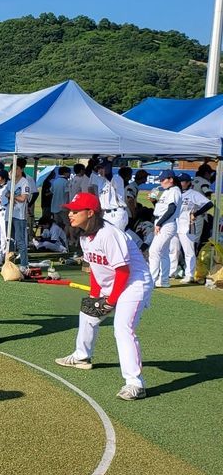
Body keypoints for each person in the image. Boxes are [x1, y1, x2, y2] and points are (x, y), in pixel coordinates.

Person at [55, 192, 152, 401]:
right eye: (70, 210)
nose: (70, 214)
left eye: (75, 211)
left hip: (134, 283)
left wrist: (110, 301)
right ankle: (82, 356)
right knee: (88, 313)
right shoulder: (84, 236)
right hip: (115, 282)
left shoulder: (109, 234)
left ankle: (135, 384)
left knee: (123, 328)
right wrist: (94, 297)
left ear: (90, 213)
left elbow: (124, 271)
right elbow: (96, 269)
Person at [174, 173, 213, 283]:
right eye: (179, 181)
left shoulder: (193, 194)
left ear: (188, 183)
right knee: (174, 250)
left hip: (188, 225)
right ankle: (172, 271)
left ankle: (189, 274)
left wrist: (196, 213)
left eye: (182, 181)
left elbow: (209, 204)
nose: (180, 183)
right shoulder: (175, 193)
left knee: (189, 250)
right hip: (175, 224)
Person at [148, 170, 181, 288]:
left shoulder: (174, 191)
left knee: (154, 251)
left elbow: (171, 209)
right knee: (163, 253)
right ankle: (164, 281)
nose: (161, 182)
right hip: (163, 223)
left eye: (163, 180)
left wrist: (159, 223)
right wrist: (154, 202)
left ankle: (151, 281)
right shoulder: (168, 191)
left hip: (166, 224)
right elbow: (164, 209)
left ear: (170, 179)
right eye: (160, 180)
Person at [94, 158, 128, 230]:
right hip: (105, 214)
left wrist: (110, 162)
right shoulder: (100, 180)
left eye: (102, 168)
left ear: (108, 167)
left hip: (116, 214)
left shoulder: (117, 178)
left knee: (117, 239)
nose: (100, 170)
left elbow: (110, 178)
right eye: (99, 168)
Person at [11, 163, 33, 268]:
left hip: (20, 215)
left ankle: (24, 264)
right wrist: (13, 196)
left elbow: (23, 198)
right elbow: (5, 195)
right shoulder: (10, 182)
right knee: (9, 240)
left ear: (21, 169)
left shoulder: (25, 182)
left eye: (17, 168)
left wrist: (13, 196)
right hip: (9, 214)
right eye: (13, 168)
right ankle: (9, 263)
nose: (14, 170)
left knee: (20, 240)